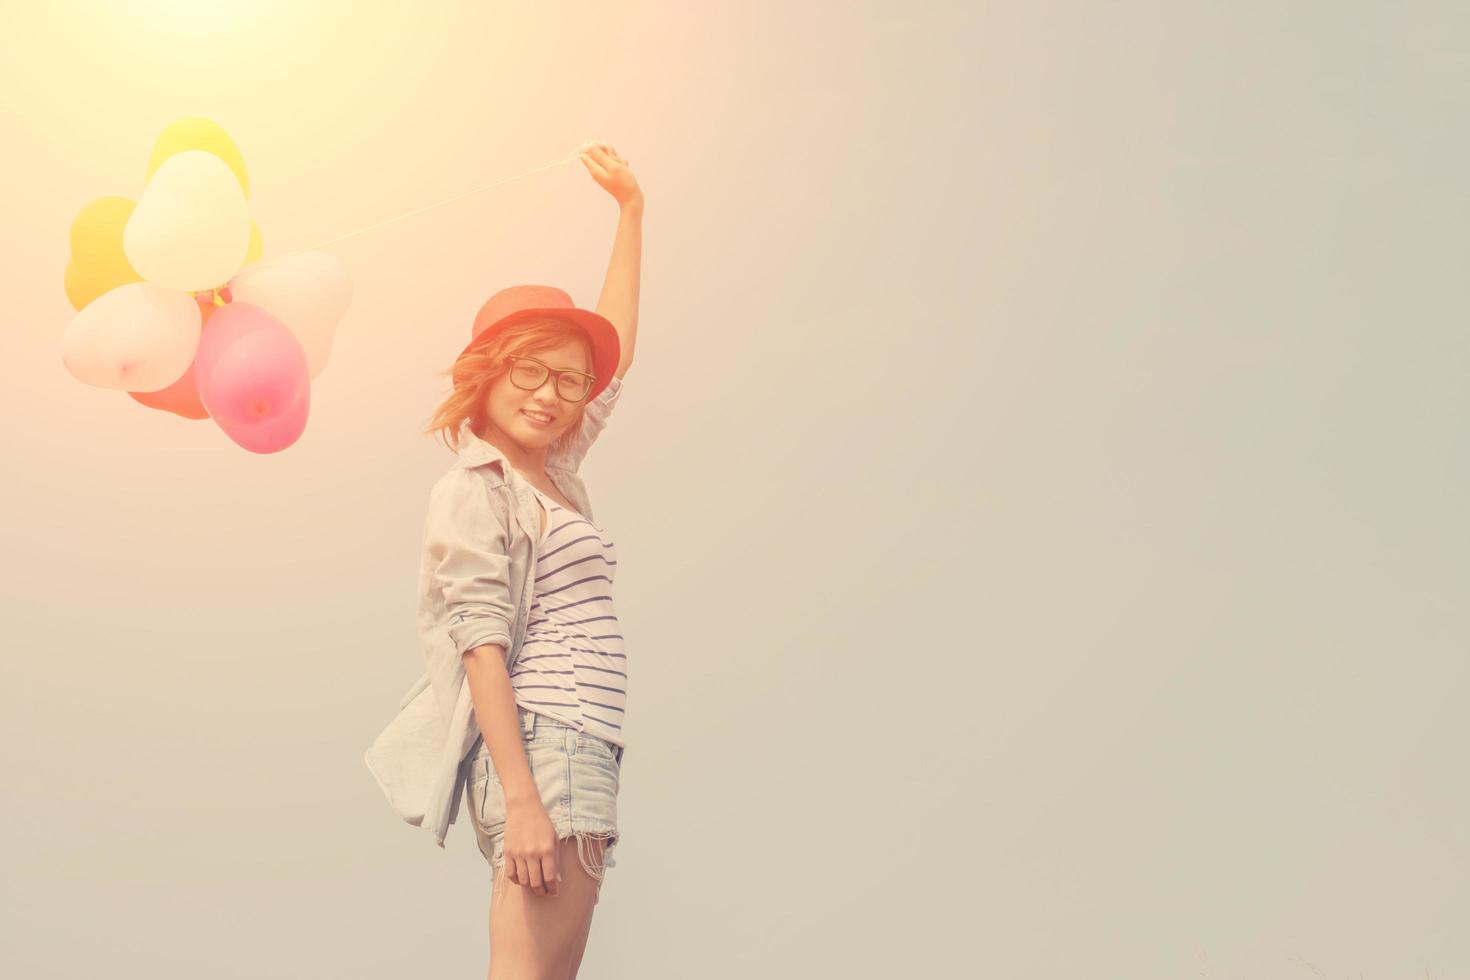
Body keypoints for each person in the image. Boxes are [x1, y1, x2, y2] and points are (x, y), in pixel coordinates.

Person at [422, 142, 642, 979]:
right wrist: (521, 800)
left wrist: (631, 212)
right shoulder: (475, 487)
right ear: (486, 373)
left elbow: (616, 355)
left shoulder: (554, 476)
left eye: (570, 383)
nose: (551, 395)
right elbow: (481, 645)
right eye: (530, 372)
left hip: (580, 745)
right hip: (545, 748)